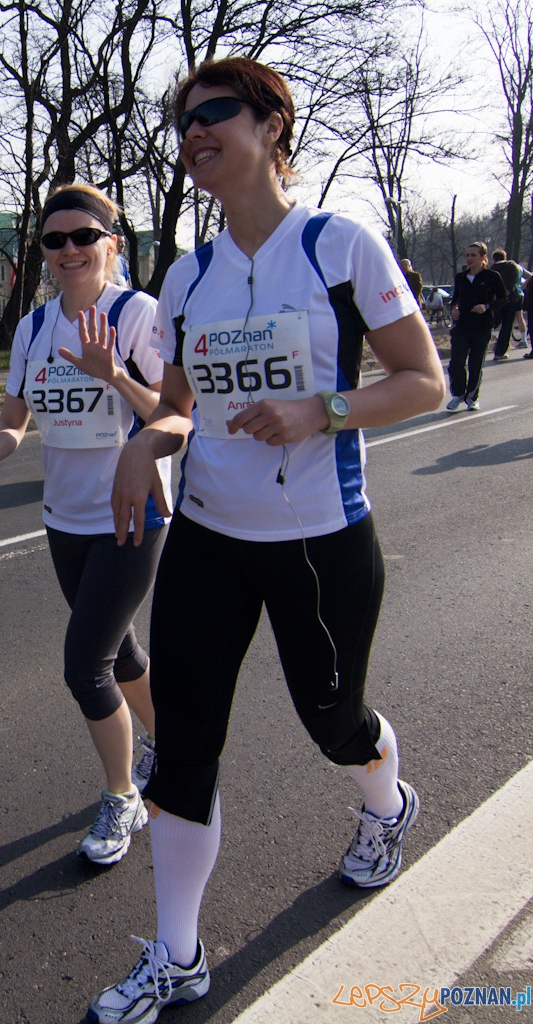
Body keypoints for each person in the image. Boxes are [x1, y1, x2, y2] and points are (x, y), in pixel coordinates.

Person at [88, 57, 445, 1024]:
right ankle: (179, 955)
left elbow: (425, 382)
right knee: (185, 752)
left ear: (273, 124)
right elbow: (177, 408)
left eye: (215, 113)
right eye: (183, 120)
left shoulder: (340, 245)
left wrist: (323, 410)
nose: (194, 131)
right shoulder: (187, 274)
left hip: (318, 544)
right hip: (207, 541)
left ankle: (385, 803)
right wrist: (145, 446)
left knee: (335, 723)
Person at [0, 184, 170, 864]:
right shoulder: (33, 327)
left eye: (84, 236)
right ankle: (173, 745)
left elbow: (173, 414)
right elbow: (16, 417)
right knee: (120, 648)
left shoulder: (138, 314)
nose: (70, 250)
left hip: (133, 510)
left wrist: (115, 375)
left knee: (87, 665)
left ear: (113, 242)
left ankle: (122, 797)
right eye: (55, 240)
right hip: (64, 517)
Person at [447, 243, 507, 412]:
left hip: (482, 326)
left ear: (483, 258)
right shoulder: (461, 277)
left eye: (473, 255)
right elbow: (455, 299)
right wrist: (454, 310)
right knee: (456, 363)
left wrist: (486, 306)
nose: (469, 258)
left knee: (475, 364)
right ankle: (458, 394)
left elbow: (503, 298)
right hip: (462, 326)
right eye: (467, 255)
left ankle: (472, 397)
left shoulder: (492, 276)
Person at [490, 249, 528, 360]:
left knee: (493, 322)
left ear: (494, 258)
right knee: (507, 325)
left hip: (497, 300)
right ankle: (500, 352)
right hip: (512, 299)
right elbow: (514, 282)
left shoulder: (491, 270)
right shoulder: (512, 266)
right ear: (505, 257)